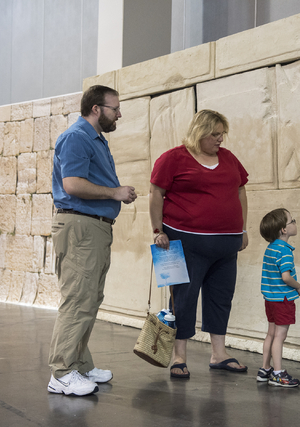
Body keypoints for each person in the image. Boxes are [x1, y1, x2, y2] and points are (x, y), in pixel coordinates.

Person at [48, 85, 138, 396]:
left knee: (89, 299)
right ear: (96, 109)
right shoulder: (77, 137)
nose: (119, 114)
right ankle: (61, 373)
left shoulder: (95, 139)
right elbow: (72, 184)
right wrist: (115, 192)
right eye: (115, 108)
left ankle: (80, 364)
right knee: (78, 300)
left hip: (93, 228)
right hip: (81, 227)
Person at [150, 109, 249, 379]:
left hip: (226, 245)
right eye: (215, 134)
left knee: (221, 298)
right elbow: (156, 193)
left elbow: (241, 189)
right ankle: (179, 356)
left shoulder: (228, 158)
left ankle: (219, 354)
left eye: (222, 134)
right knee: (183, 299)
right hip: (185, 242)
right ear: (199, 132)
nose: (220, 139)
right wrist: (157, 230)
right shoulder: (173, 158)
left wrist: (243, 229)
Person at [257, 208, 300, 387]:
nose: (295, 223)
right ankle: (278, 373)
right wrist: (298, 286)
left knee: (271, 333)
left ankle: (265, 369)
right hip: (283, 300)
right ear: (283, 229)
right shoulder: (285, 251)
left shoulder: (271, 249)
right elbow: (286, 277)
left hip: (270, 300)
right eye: (292, 221)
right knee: (280, 336)